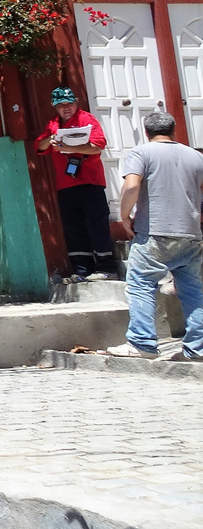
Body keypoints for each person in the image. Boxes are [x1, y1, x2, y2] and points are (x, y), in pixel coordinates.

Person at [107, 112, 203, 360]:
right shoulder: (195, 156)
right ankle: (198, 348)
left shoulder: (141, 153)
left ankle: (142, 343)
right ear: (174, 130)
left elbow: (131, 186)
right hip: (190, 233)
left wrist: (125, 216)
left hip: (155, 233)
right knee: (194, 291)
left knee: (140, 285)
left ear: (146, 132)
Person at [35, 86, 118, 279]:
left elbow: (97, 147)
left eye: (69, 104)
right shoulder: (53, 125)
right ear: (54, 107)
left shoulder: (87, 119)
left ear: (76, 102)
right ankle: (82, 270)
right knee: (73, 227)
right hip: (66, 185)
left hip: (90, 181)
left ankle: (106, 268)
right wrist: (52, 139)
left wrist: (69, 147)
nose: (66, 108)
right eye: (61, 105)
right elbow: (40, 146)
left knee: (97, 223)